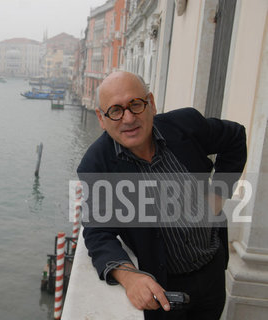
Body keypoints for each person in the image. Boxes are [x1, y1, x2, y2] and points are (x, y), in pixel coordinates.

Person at [77, 71, 247, 320]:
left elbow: (235, 138)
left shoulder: (186, 124)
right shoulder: (97, 164)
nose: (128, 118)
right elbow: (98, 232)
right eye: (115, 110)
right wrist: (129, 276)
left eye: (136, 104)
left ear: (151, 103)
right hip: (164, 290)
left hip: (212, 270)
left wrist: (219, 193)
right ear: (101, 119)